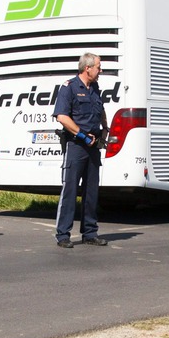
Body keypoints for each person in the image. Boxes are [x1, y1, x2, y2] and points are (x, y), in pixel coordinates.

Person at [53, 53, 108, 247]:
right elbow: (61, 116)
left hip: (94, 146)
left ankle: (90, 232)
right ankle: (63, 235)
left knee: (91, 190)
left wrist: (105, 129)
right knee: (70, 189)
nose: (100, 71)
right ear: (88, 68)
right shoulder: (69, 88)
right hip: (76, 145)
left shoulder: (94, 88)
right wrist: (82, 135)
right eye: (98, 67)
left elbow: (100, 111)